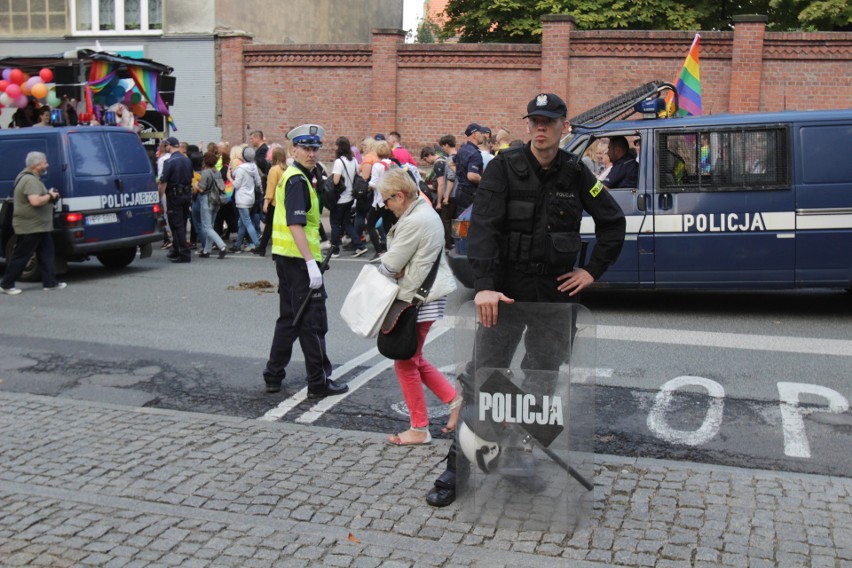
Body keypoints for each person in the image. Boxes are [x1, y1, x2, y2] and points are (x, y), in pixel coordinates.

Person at [424, 93, 626, 508]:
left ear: (563, 127)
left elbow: (613, 222)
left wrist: (592, 272)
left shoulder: (576, 171)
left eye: (549, 121)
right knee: (484, 377)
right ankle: (458, 466)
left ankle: (518, 457)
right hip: (505, 291)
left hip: (553, 295)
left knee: (541, 380)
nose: (540, 127)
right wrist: (482, 285)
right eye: (534, 119)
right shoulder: (502, 168)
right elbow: (483, 228)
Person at [262, 123, 348, 399]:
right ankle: (318, 382)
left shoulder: (299, 176)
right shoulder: (297, 179)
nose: (311, 153)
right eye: (306, 148)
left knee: (289, 319)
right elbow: (296, 224)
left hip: (288, 259)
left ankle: (273, 374)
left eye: (314, 148)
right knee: (312, 322)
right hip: (299, 261)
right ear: (293, 149)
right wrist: (312, 263)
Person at [377, 169, 461, 445]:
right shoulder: (423, 209)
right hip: (426, 296)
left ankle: (419, 428)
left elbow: (390, 266)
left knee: (404, 363)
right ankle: (454, 400)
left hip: (418, 299)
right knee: (412, 358)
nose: (385, 206)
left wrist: (389, 263)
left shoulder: (414, 221)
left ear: (400, 196)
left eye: (387, 200)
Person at [1, 152, 66, 295]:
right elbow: (35, 201)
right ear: (37, 165)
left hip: (39, 226)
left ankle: (50, 282)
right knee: (21, 256)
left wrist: (47, 194)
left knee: (47, 254)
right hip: (30, 226)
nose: (47, 165)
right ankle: (6, 284)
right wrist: (50, 196)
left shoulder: (29, 178)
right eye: (45, 162)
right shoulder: (30, 181)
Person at [158, 137, 194, 263]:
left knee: (176, 225)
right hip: (186, 194)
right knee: (182, 224)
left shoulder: (169, 162)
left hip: (174, 196)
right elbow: (191, 177)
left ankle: (184, 253)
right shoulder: (186, 160)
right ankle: (177, 250)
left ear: (169, 145)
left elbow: (163, 182)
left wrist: (158, 197)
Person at [329, 136, 362, 259]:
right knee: (346, 223)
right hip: (350, 197)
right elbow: (357, 174)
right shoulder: (353, 160)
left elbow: (336, 181)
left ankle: (335, 250)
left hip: (340, 199)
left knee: (335, 224)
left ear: (339, 147)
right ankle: (360, 245)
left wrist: (330, 178)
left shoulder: (339, 162)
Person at [196, 151, 229, 259]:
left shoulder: (205, 173)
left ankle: (222, 246)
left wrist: (196, 184)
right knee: (211, 226)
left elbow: (202, 189)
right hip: (217, 201)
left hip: (207, 200)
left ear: (205, 161)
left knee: (207, 227)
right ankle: (207, 250)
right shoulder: (218, 172)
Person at [259, 145, 289, 257]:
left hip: (274, 202)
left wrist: (266, 201)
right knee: (280, 227)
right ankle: (277, 250)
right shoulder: (287, 169)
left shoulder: (274, 169)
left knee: (269, 226)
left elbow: (270, 187)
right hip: (284, 202)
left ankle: (263, 248)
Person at [231, 146, 262, 253]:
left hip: (242, 199)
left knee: (247, 222)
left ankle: (257, 245)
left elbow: (236, 185)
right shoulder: (254, 167)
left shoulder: (240, 169)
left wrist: (230, 177)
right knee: (242, 223)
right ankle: (238, 245)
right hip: (251, 197)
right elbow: (258, 183)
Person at [454, 123, 485, 211]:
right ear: (474, 134)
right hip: (469, 193)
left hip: (460, 191)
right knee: (468, 221)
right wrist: (485, 181)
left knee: (460, 220)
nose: (482, 135)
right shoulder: (475, 154)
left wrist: (460, 175)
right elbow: (472, 176)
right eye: (481, 133)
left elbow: (451, 163)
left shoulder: (462, 149)